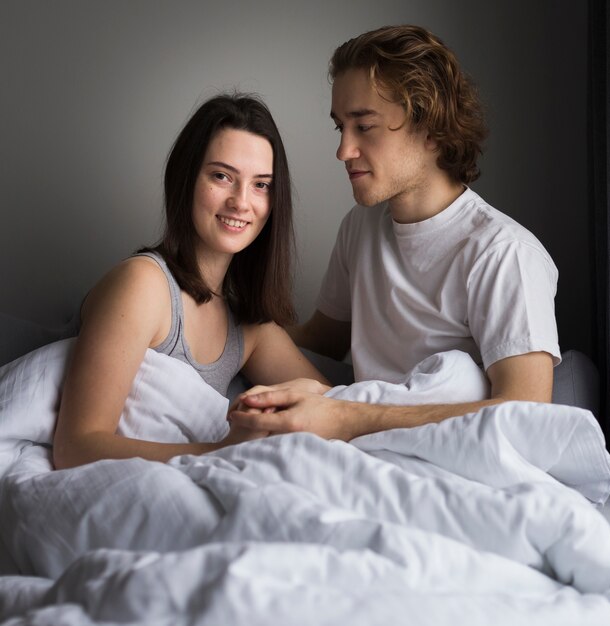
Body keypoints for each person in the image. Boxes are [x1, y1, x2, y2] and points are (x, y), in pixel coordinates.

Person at [228, 24, 560, 440]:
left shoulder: (503, 253)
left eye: (364, 127)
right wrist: (226, 329)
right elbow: (322, 338)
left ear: (431, 129)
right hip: (363, 446)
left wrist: (345, 417)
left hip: (447, 457)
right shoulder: (360, 228)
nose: (343, 151)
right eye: (340, 128)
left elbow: (527, 417)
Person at [53, 93, 329, 469]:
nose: (241, 202)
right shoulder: (143, 285)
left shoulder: (249, 329)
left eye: (261, 185)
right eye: (222, 176)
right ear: (185, 179)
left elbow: (337, 409)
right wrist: (226, 452)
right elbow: (75, 448)